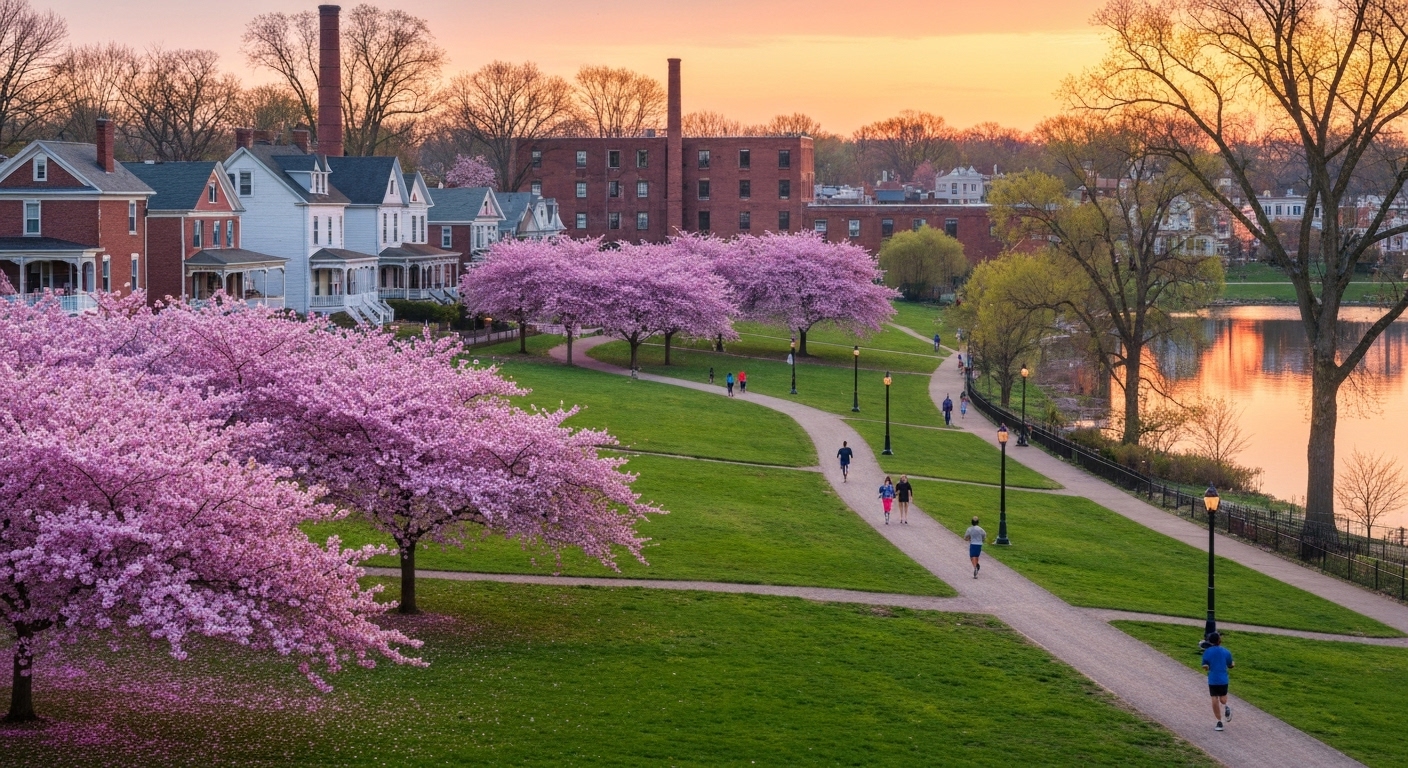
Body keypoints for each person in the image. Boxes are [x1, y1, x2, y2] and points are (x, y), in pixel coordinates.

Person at [1202, 633, 1235, 732]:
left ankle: (1219, 722)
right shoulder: (1226, 652)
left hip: (1213, 679)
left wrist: (1206, 667)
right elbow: (1230, 664)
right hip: (1223, 679)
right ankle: (1227, 707)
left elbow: (1204, 665)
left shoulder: (1207, 652)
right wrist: (1233, 664)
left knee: (1214, 699)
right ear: (1219, 640)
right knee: (1223, 699)